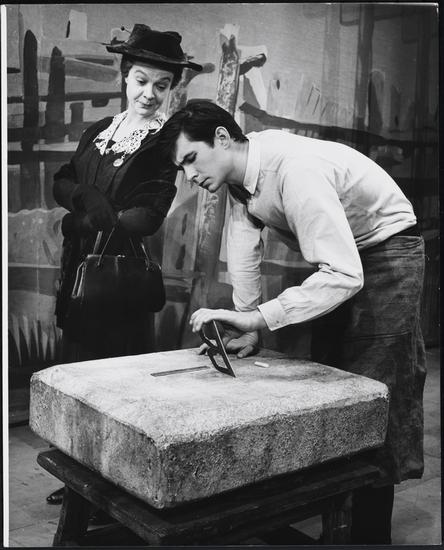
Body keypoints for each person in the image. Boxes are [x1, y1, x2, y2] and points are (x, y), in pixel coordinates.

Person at [157, 100, 426, 544]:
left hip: (387, 251)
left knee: (376, 389)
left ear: (221, 138)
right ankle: (337, 514)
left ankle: (369, 535)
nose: (189, 175)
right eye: (181, 167)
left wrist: (259, 317)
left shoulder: (294, 168)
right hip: (345, 256)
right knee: (331, 379)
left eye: (190, 159)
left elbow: (344, 273)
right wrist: (247, 327)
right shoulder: (240, 177)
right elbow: (244, 253)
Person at [47, 25, 202, 507]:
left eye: (161, 85)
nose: (149, 94)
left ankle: (115, 490)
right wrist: (82, 196)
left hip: (117, 277)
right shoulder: (100, 132)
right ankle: (77, 481)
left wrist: (100, 218)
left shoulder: (164, 143)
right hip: (79, 268)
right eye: (141, 81)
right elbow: (61, 181)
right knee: (78, 374)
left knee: (117, 382)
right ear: (125, 77)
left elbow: (150, 214)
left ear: (172, 88)